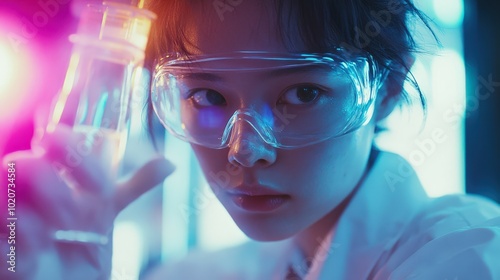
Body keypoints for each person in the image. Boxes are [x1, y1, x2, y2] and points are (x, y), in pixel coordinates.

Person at [1, 0, 500, 279]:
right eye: (206, 96)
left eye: (303, 93)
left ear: (387, 90)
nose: (244, 150)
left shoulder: (468, 254)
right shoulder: (192, 277)